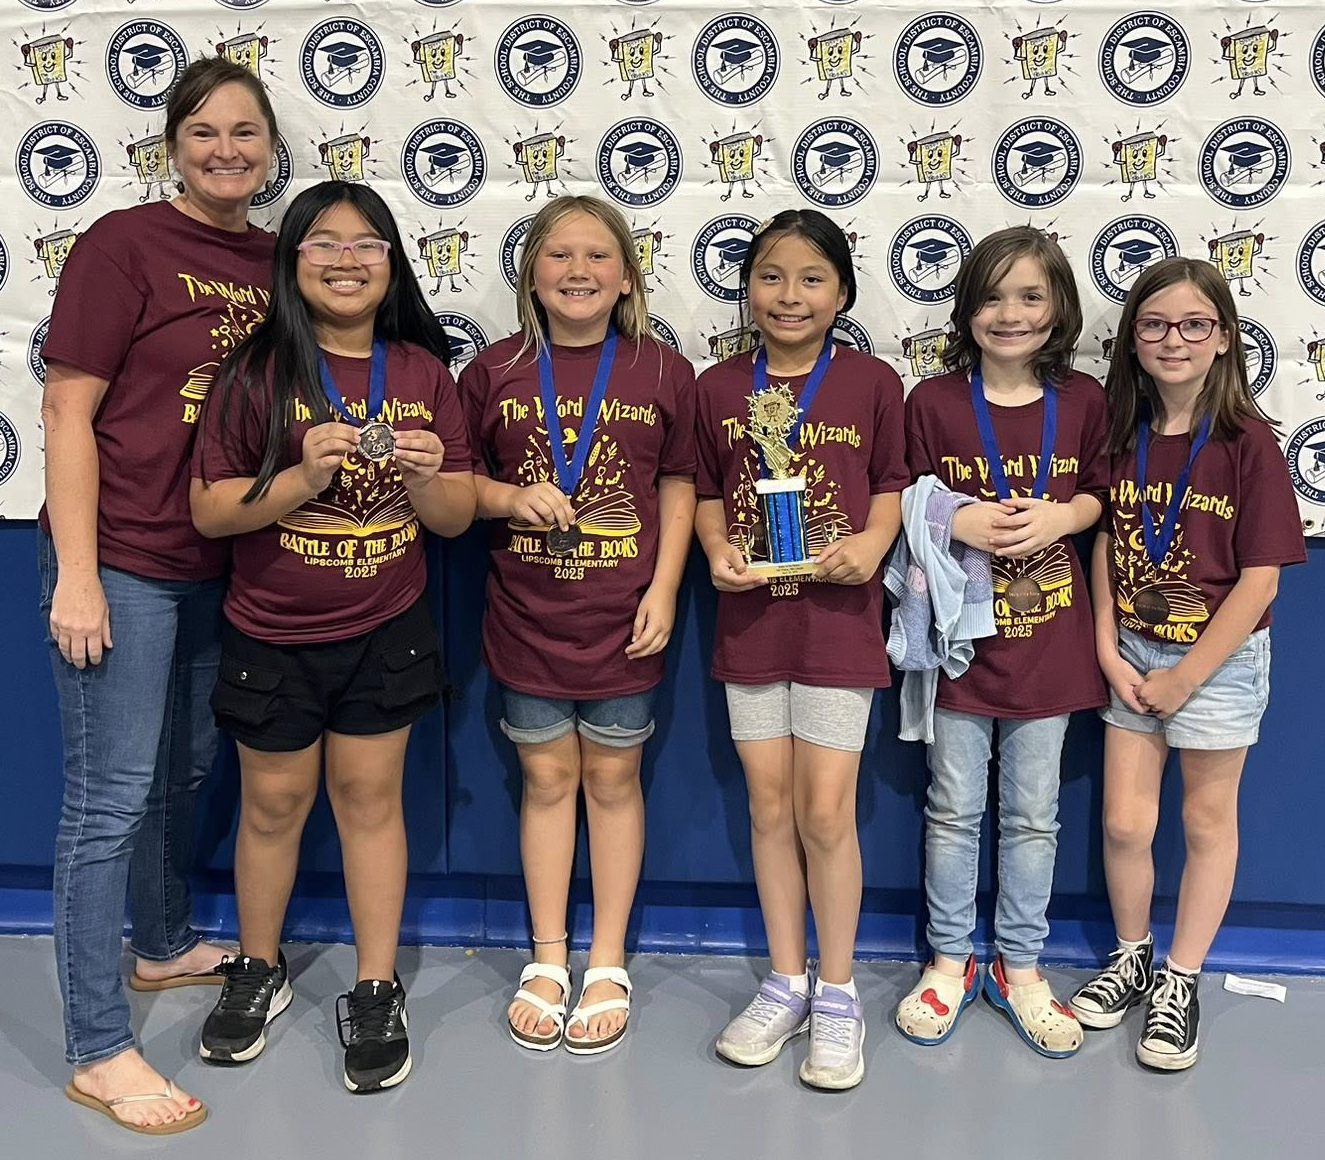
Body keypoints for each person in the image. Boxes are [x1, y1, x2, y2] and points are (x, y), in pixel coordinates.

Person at [190, 181, 475, 1092]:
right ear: (292, 260)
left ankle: (377, 984)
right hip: (271, 634)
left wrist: (426, 478)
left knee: (369, 802)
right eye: (323, 244)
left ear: (391, 264)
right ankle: (258, 967)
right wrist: (299, 481)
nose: (346, 261)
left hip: (386, 630)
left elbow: (454, 517)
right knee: (272, 807)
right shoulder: (255, 371)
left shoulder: (422, 372)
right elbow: (209, 511)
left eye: (366, 246)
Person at [39, 57, 280, 1134]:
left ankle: (163, 942)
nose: (226, 150)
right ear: (171, 146)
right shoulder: (122, 245)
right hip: (121, 557)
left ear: (270, 148)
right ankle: (97, 1048)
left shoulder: (276, 260)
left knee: (182, 769)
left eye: (245, 132)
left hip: (217, 560)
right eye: (204, 133)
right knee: (108, 798)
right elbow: (66, 410)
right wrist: (78, 573)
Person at [458, 195, 696, 1055]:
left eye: (597, 256)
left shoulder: (662, 370)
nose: (578, 272)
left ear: (626, 277)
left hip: (622, 619)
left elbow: (679, 482)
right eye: (558, 255)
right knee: (546, 780)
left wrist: (664, 588)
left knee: (614, 782)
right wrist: (506, 496)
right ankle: (549, 954)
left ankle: (606, 958)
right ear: (531, 275)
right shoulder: (492, 370)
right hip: (527, 618)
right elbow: (457, 485)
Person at [1069, 258, 1305, 1070]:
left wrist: (1186, 677)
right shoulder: (1120, 431)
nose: (1173, 340)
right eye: (1154, 324)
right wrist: (1105, 645)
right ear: (1132, 339)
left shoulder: (1247, 441)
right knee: (1124, 822)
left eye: (1193, 325)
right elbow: (1105, 539)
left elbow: (1260, 579)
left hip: (1216, 660)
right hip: (1132, 652)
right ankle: (1130, 954)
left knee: (1205, 822)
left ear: (1224, 338)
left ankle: (1180, 977)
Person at [695, 209, 906, 1090]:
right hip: (752, 625)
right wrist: (716, 549)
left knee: (825, 812)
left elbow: (892, 483)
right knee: (768, 806)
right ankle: (785, 981)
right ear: (747, 288)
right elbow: (706, 491)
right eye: (770, 276)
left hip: (837, 625)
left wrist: (873, 543)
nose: (789, 295)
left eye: (812, 278)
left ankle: (838, 990)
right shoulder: (716, 386)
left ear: (842, 294)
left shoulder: (872, 382)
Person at [897, 226, 1106, 1057]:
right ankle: (949, 962)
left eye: (1029, 297)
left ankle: (1021, 967)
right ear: (965, 310)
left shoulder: (1083, 401)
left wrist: (1063, 516)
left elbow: (1100, 492)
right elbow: (905, 498)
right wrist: (956, 520)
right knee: (952, 809)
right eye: (991, 297)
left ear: (1057, 309)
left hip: (1049, 648)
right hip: (958, 648)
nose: (1009, 314)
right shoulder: (933, 402)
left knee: (1031, 817)